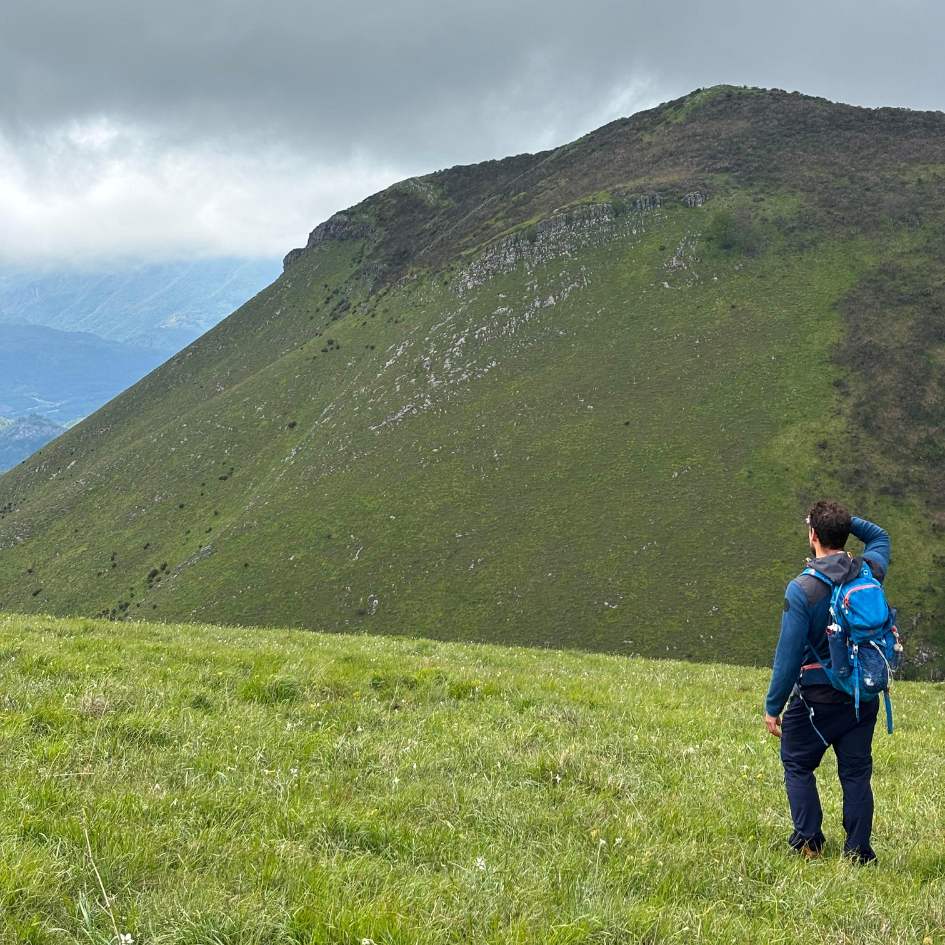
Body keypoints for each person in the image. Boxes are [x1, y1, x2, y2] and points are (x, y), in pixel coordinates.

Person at [763, 500, 891, 863]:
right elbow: (880, 536)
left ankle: (809, 841)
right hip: (862, 696)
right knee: (855, 773)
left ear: (813, 536)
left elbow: (787, 658)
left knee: (797, 762)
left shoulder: (803, 589)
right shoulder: (869, 571)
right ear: (844, 534)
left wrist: (773, 708)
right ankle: (858, 852)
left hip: (817, 700)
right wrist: (846, 523)